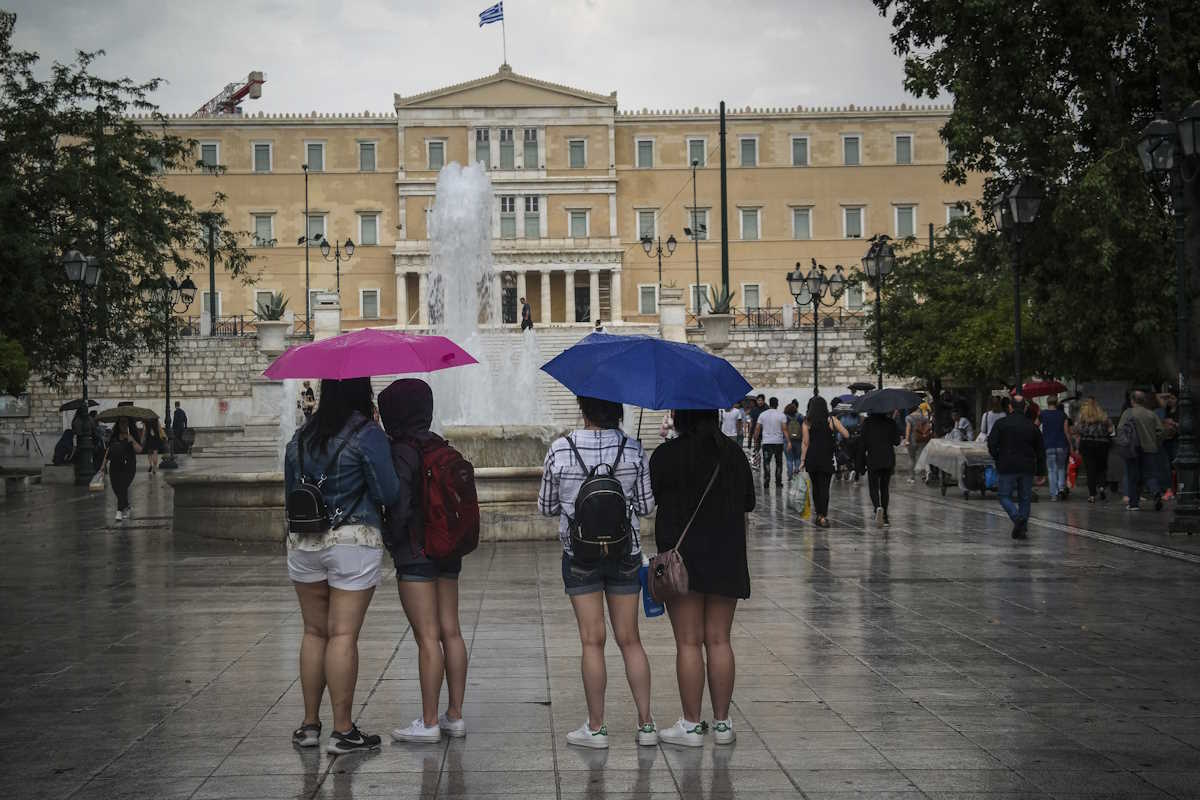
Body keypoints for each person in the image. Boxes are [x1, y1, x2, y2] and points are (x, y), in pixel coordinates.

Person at [283, 377, 402, 755]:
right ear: (361, 392)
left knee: (314, 632)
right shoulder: (366, 434)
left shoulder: (301, 436)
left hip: (305, 542)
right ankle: (343, 730)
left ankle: (308, 725)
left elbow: (290, 493)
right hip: (353, 540)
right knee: (343, 635)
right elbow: (388, 492)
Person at [538, 396, 657, 750]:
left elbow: (546, 507)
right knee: (630, 639)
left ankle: (597, 727)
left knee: (592, 641)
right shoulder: (633, 448)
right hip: (625, 551)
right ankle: (646, 725)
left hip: (580, 554)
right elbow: (648, 507)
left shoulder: (562, 448)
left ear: (582, 408)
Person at [649, 409, 755, 747]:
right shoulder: (733, 453)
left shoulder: (665, 455)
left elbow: (650, 501)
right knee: (720, 640)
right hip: (726, 556)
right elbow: (748, 502)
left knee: (689, 642)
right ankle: (722, 725)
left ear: (680, 416)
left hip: (682, 562)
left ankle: (692, 725)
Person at [376, 379, 470, 744]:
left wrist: (390, 538)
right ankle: (455, 715)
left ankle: (429, 721)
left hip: (416, 553)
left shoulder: (402, 450)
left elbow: (399, 505)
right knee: (452, 630)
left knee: (427, 637)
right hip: (448, 550)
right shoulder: (440, 445)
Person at [987, 396, 1045, 539]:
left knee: (1003, 495)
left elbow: (992, 444)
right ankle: (1022, 527)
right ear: (1025, 408)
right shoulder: (1032, 426)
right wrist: (1041, 471)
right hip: (1027, 466)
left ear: (1010, 407)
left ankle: (1017, 518)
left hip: (1007, 465)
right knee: (1025, 498)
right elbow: (1040, 450)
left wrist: (998, 457)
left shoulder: (1001, 424)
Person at [800, 396, 851, 528]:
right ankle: (824, 515)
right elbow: (846, 434)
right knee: (825, 487)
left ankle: (819, 514)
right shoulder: (832, 420)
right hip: (826, 457)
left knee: (815, 487)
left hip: (812, 458)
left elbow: (806, 443)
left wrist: (802, 460)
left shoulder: (807, 422)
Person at [1117, 390, 1165, 511]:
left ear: (1132, 400)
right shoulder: (1151, 414)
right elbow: (1161, 431)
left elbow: (1121, 430)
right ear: (1144, 401)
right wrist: (1155, 443)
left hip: (1132, 449)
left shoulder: (1128, 413)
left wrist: (1123, 445)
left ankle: (1134, 503)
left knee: (1133, 476)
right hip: (1150, 448)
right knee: (1150, 474)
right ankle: (1156, 492)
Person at [861, 411, 902, 527]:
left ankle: (877, 507)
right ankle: (885, 516)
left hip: (873, 458)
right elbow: (897, 441)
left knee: (873, 486)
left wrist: (860, 462)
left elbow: (862, 443)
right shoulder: (891, 422)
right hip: (888, 458)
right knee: (884, 488)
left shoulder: (867, 423)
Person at [1075, 397, 1113, 503]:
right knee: (1102, 467)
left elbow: (1077, 429)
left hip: (1087, 444)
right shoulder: (1103, 414)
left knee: (1090, 470)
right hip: (1102, 443)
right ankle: (1101, 487)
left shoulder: (1082, 416)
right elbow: (1110, 429)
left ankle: (1092, 495)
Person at [108, 418, 141, 521]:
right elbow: (108, 452)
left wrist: (132, 440)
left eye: (125, 423)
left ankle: (119, 511)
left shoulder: (133, 435)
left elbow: (139, 450)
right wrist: (102, 466)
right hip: (115, 466)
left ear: (129, 424)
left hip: (129, 466)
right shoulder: (114, 436)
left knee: (122, 486)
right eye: (121, 423)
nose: (123, 425)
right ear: (118, 424)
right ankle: (126, 506)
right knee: (116, 488)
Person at [1039, 395, 1071, 500]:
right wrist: (1071, 444)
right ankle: (1061, 488)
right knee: (1062, 468)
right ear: (1057, 403)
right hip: (1062, 444)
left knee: (1051, 470)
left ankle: (1054, 494)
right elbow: (1066, 431)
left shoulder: (1042, 414)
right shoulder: (1062, 415)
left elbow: (1035, 425)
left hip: (1048, 444)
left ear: (1048, 403)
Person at [755, 397, 788, 489]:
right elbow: (785, 429)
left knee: (766, 462)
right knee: (779, 463)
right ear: (777, 404)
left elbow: (757, 429)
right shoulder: (781, 415)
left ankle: (767, 479)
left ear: (769, 404)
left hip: (766, 442)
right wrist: (789, 442)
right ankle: (778, 481)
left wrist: (755, 440)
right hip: (778, 442)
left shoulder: (762, 415)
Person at [903, 402, 932, 483]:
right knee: (924, 457)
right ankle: (927, 472)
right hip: (922, 439)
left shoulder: (909, 417)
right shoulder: (923, 417)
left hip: (912, 441)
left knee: (912, 459)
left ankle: (912, 478)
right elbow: (928, 427)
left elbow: (908, 430)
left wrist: (907, 440)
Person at [784, 402, 804, 479]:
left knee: (789, 459)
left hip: (787, 440)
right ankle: (797, 472)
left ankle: (789, 475)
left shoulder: (784, 417)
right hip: (798, 440)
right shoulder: (800, 417)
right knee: (797, 458)